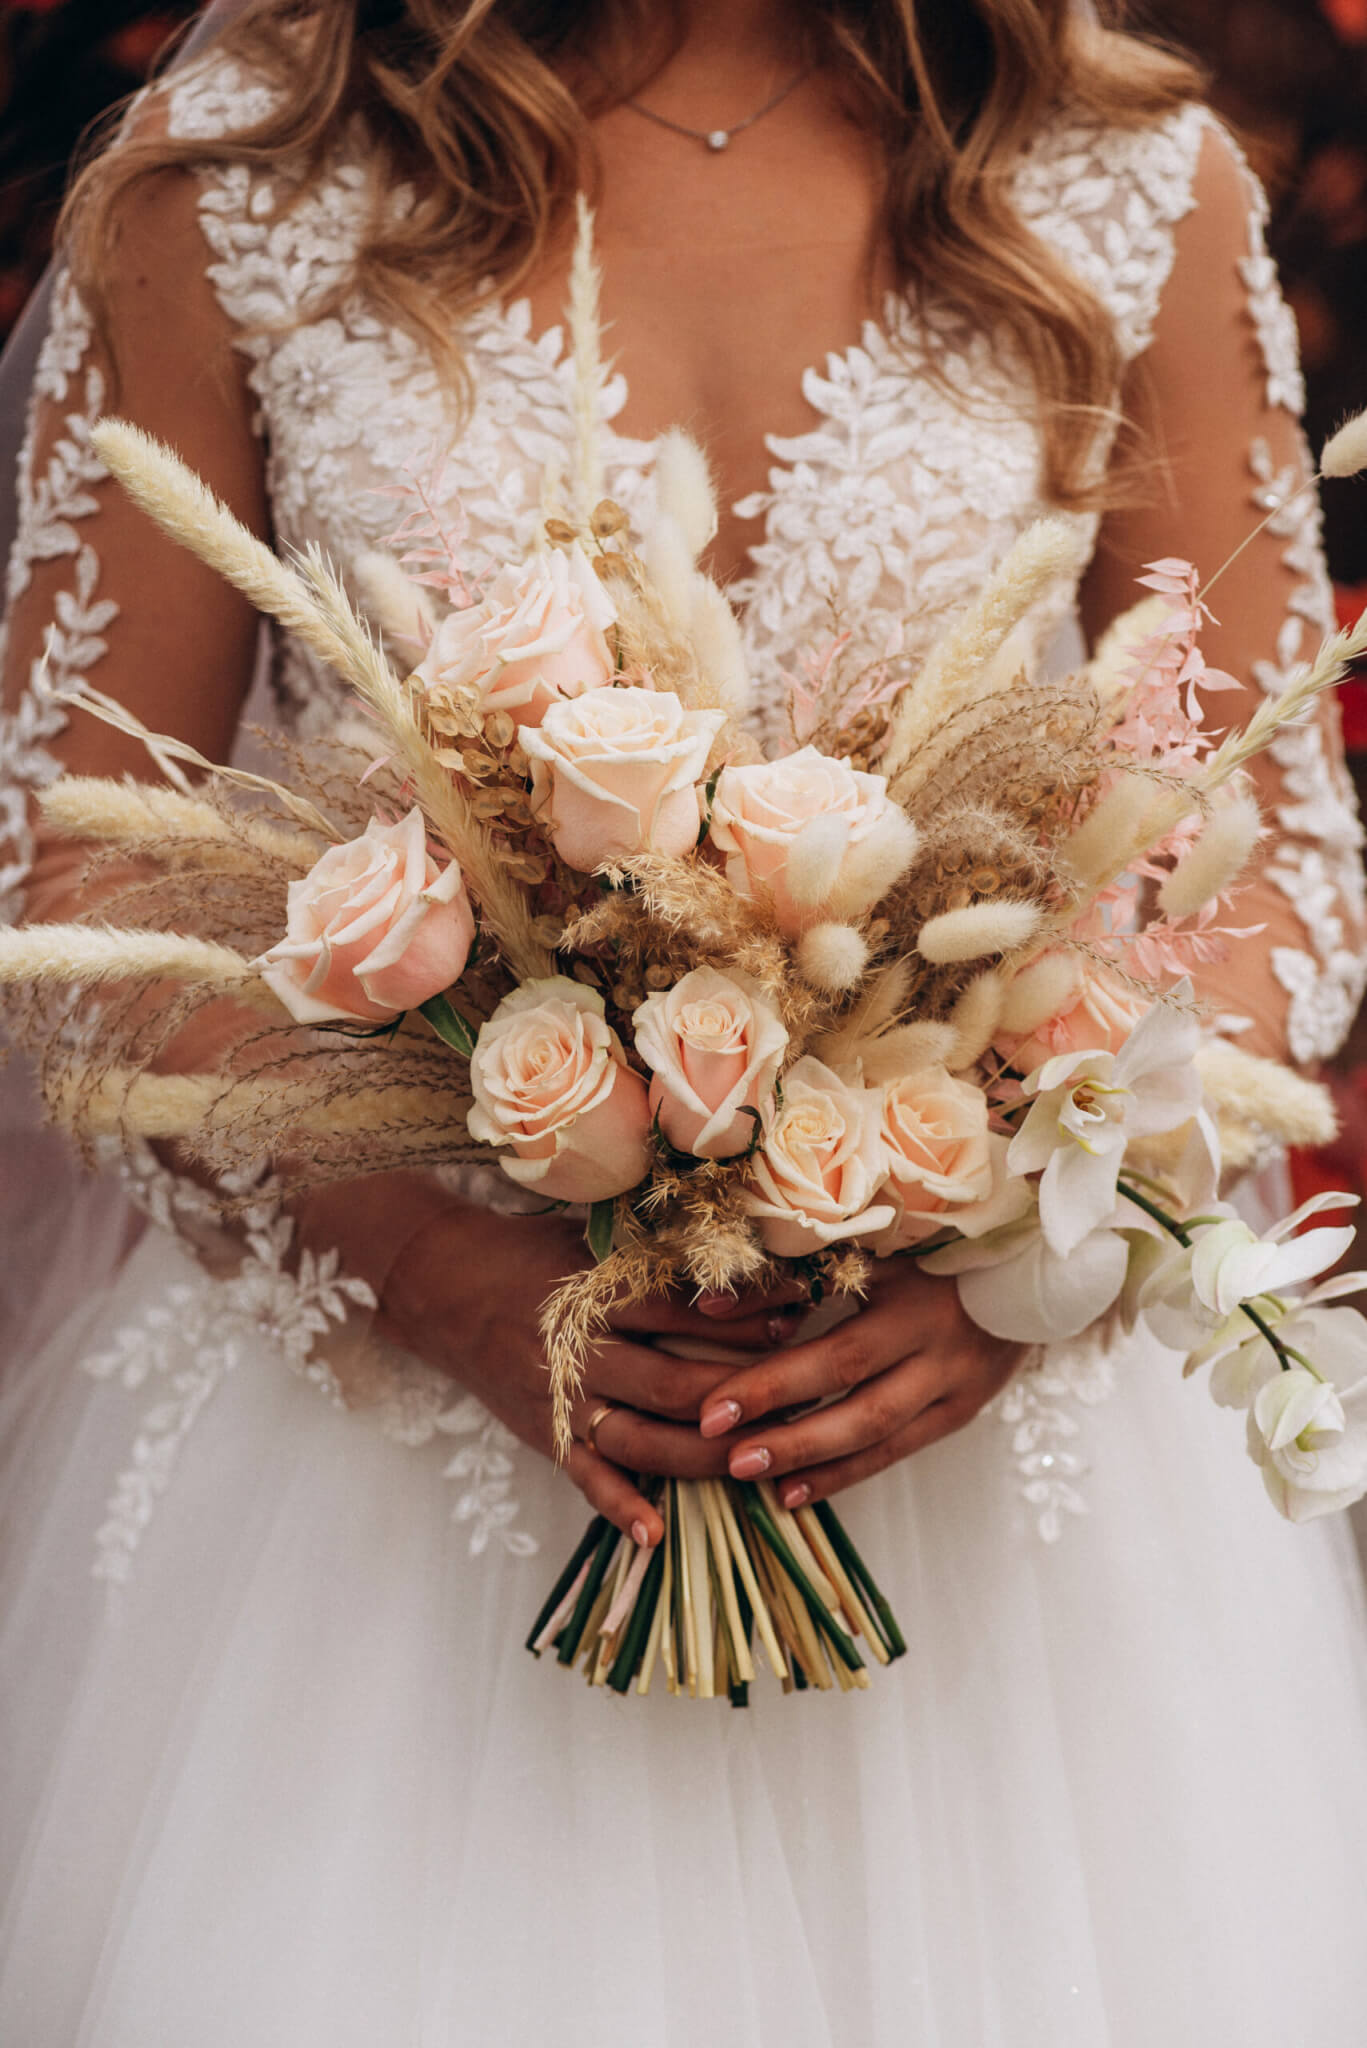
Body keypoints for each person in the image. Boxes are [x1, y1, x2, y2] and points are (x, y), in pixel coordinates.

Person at [3, 1, 1367, 2040]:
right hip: (380, 1509)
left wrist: (1034, 1253)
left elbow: (1287, 860)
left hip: (1005, 1538)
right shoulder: (239, 183)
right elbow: (80, 879)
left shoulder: (1125, 177)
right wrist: (441, 1273)